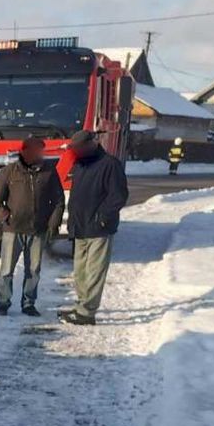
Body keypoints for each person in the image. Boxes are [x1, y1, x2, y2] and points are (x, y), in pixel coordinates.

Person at [0, 136, 65, 316]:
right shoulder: (9, 172)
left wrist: (53, 223)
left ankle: (28, 304)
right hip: (13, 230)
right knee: (6, 270)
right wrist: (6, 216)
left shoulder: (49, 173)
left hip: (38, 230)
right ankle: (3, 302)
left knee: (33, 270)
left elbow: (59, 201)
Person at [60, 130, 129, 326]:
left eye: (80, 147)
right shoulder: (81, 164)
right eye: (75, 149)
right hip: (79, 227)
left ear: (92, 143)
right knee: (80, 271)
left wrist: (103, 218)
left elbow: (118, 196)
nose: (77, 151)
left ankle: (87, 313)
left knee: (94, 272)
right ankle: (81, 305)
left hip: (99, 228)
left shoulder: (110, 164)